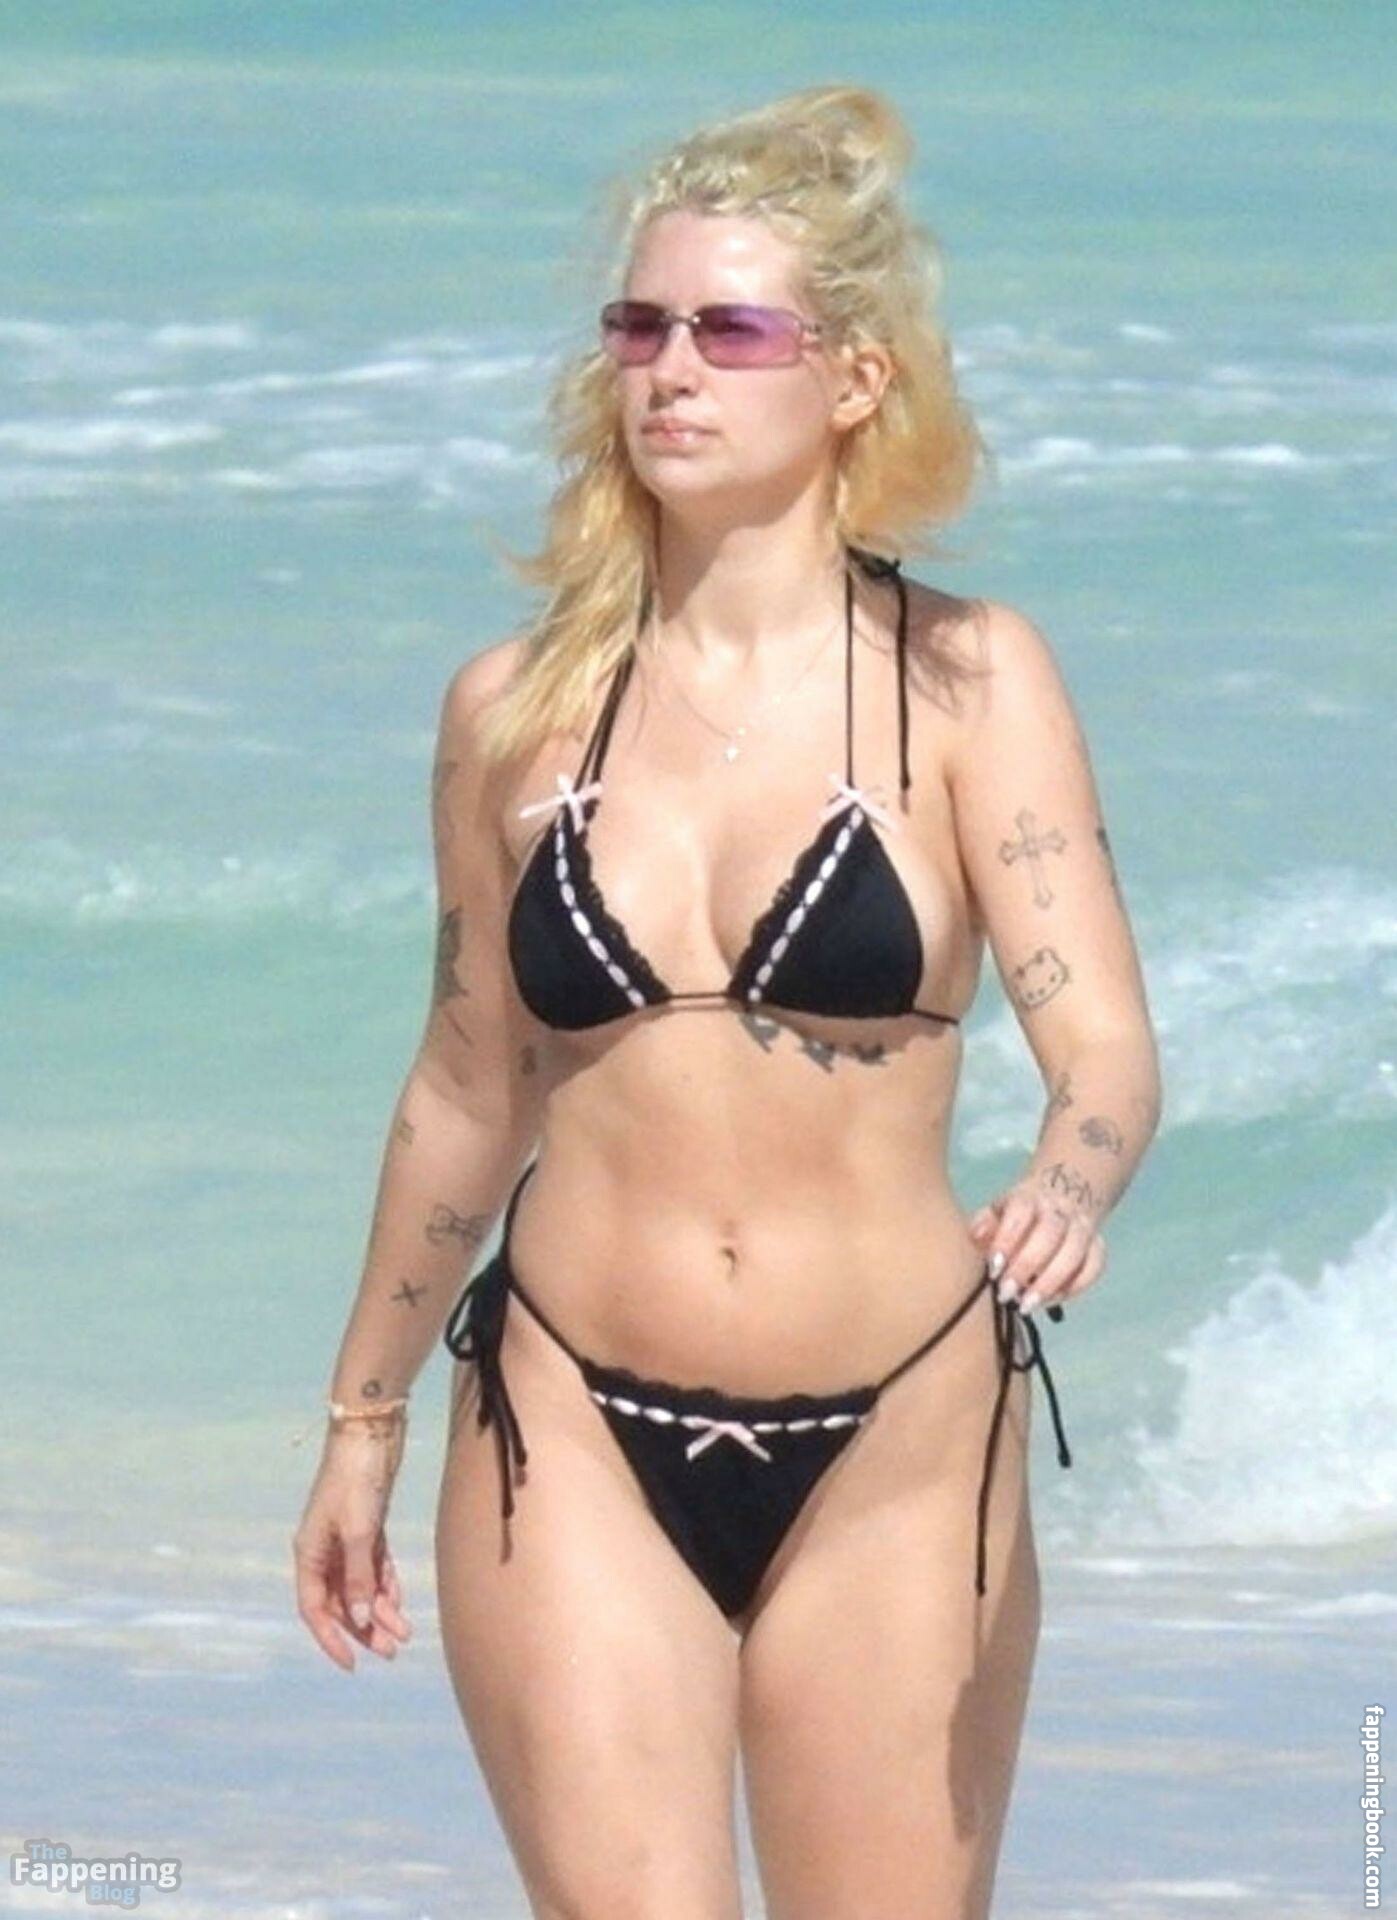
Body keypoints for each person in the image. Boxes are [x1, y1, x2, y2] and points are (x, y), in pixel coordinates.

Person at [292, 83, 1162, 1920]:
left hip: (899, 1441)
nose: (671, 370)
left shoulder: (965, 680)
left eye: (730, 331)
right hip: (564, 1424)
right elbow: (465, 1087)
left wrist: (1071, 1181)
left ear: (852, 380)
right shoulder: (512, 713)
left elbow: (1097, 1046)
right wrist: (362, 1421)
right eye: (639, 328)